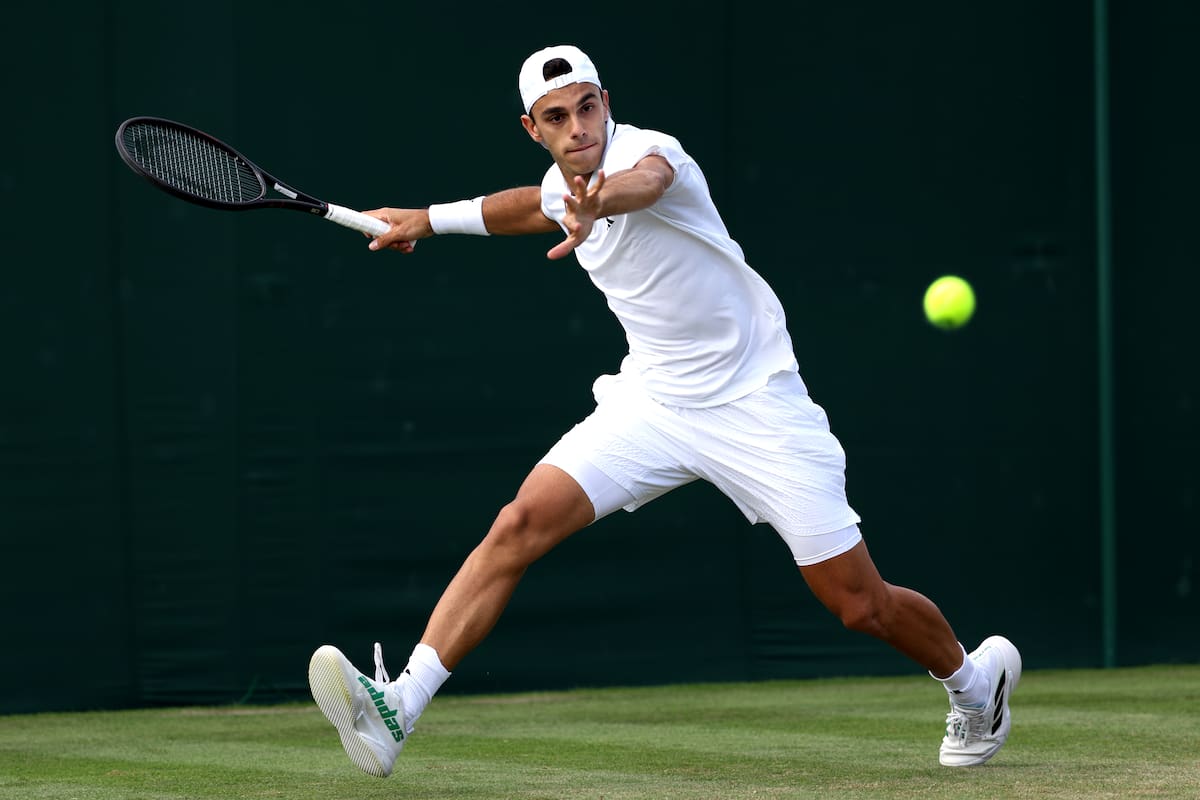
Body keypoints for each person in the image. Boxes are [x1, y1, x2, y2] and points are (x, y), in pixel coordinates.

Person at [306, 44, 1021, 777]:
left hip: (755, 403)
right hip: (652, 401)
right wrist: (426, 219)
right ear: (534, 129)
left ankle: (974, 683)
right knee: (519, 523)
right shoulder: (560, 186)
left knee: (859, 605)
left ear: (606, 103)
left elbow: (644, 184)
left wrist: (597, 201)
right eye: (558, 117)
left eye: (589, 107)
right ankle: (400, 707)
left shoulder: (652, 154)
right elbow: (524, 206)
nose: (579, 126)